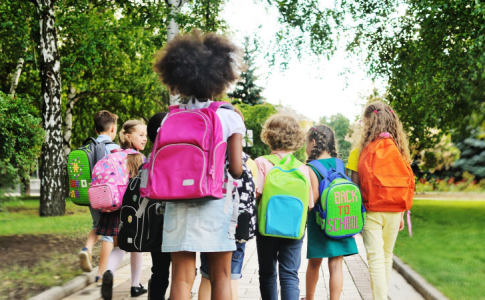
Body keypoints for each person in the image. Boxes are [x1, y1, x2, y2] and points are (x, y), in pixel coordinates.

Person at [152, 29, 245, 300]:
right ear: (220, 78)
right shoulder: (228, 117)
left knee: (180, 276)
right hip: (214, 202)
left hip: (176, 202)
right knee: (221, 276)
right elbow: (237, 169)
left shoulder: (169, 119)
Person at [197, 108, 257, 300]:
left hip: (208, 225)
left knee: (206, 278)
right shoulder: (248, 163)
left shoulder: (206, 161)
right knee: (230, 279)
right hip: (236, 229)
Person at [254, 114, 314, 300]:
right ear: (296, 138)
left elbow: (255, 195)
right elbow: (309, 205)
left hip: (266, 227)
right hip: (293, 229)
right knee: (289, 274)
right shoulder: (302, 168)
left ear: (269, 136)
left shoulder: (262, 163)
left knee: (267, 273)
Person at [356, 101, 411, 300]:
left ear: (368, 123)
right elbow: (403, 182)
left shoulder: (363, 151)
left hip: (372, 210)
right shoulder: (399, 149)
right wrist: (402, 213)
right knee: (387, 256)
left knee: (376, 259)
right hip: (395, 210)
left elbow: (356, 185)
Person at [303, 125, 358, 300]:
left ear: (313, 142)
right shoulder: (339, 163)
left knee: (314, 263)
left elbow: (315, 199)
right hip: (340, 218)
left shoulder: (311, 167)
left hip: (320, 222)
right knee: (336, 265)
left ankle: (309, 298)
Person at [99, 120, 148, 300]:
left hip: (112, 206)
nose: (144, 139)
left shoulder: (113, 154)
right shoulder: (137, 158)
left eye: (145, 135)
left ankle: (109, 272)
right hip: (131, 210)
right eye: (141, 135)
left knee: (120, 245)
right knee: (136, 245)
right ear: (128, 136)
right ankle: (135, 285)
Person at [78, 110, 118, 281]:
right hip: (108, 196)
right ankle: (101, 274)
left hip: (90, 194)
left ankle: (86, 249)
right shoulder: (114, 149)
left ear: (96, 130)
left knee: (97, 225)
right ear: (113, 129)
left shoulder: (87, 147)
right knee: (108, 233)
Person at [146, 112, 172, 300]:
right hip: (177, 219)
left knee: (159, 271)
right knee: (184, 272)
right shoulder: (178, 155)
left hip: (155, 222)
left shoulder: (149, 159)